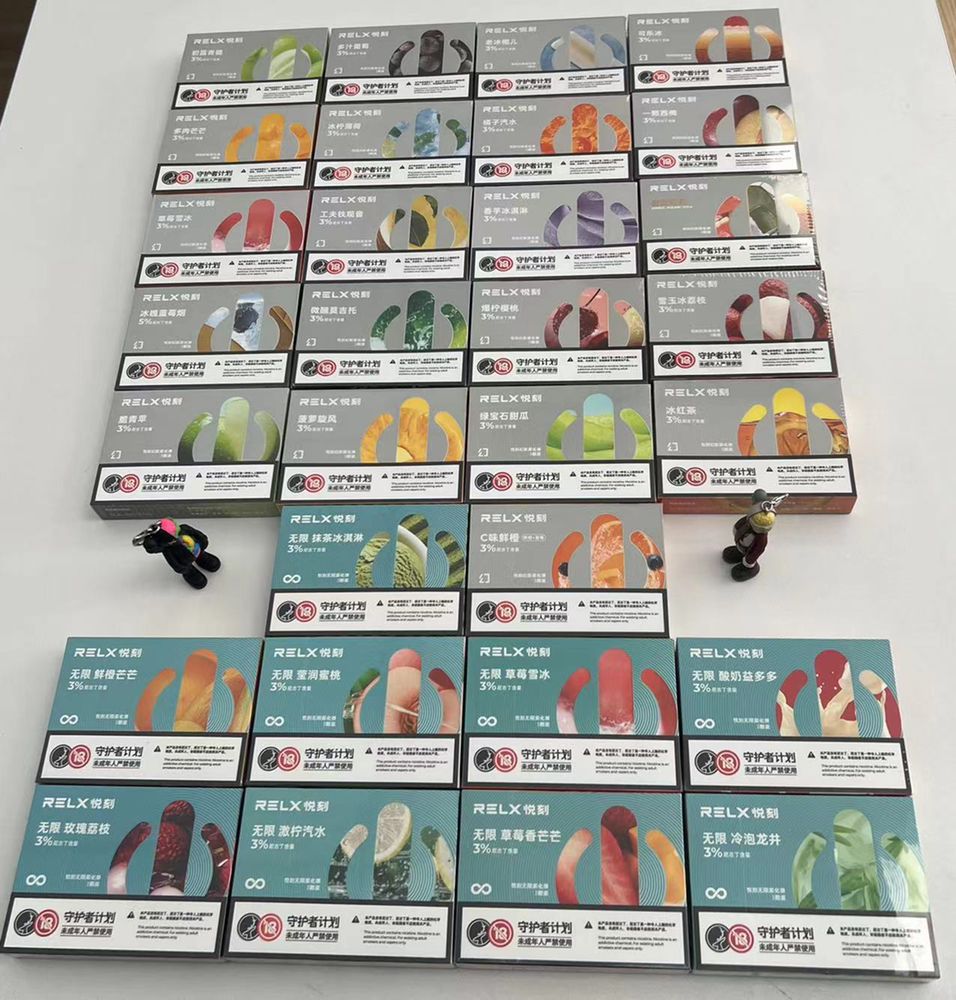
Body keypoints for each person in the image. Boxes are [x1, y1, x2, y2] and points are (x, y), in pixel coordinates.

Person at [132, 518, 221, 589]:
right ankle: (190, 572)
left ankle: (202, 558)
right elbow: (152, 548)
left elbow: (197, 534)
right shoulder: (166, 547)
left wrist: (203, 541)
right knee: (186, 569)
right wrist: (181, 569)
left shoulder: (184, 529)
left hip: (197, 549)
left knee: (201, 555)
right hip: (182, 560)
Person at [722, 490, 787, 582]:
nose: (762, 529)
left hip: (747, 549)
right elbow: (739, 526)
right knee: (741, 548)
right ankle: (739, 552)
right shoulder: (747, 522)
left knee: (748, 559)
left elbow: (757, 551)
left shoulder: (761, 539)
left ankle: (747, 568)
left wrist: (748, 561)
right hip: (742, 543)